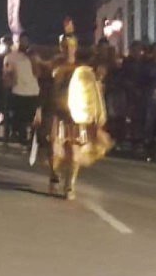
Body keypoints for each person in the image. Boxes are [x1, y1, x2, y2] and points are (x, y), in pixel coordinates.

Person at [47, 33, 111, 200]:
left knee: (74, 152)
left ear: (75, 48)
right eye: (65, 46)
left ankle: (70, 185)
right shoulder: (54, 66)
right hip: (57, 113)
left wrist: (97, 114)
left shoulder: (82, 70)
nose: (68, 49)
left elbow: (92, 93)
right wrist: (40, 110)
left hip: (75, 115)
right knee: (54, 150)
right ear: (61, 48)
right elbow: (45, 90)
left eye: (71, 46)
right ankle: (54, 175)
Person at [3, 36, 40, 146]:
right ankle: (22, 138)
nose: (23, 44)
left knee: (31, 119)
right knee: (20, 119)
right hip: (18, 92)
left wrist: (33, 60)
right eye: (20, 41)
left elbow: (38, 73)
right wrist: (9, 81)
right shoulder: (11, 57)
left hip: (33, 92)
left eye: (25, 41)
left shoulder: (33, 56)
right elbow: (7, 75)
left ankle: (31, 140)